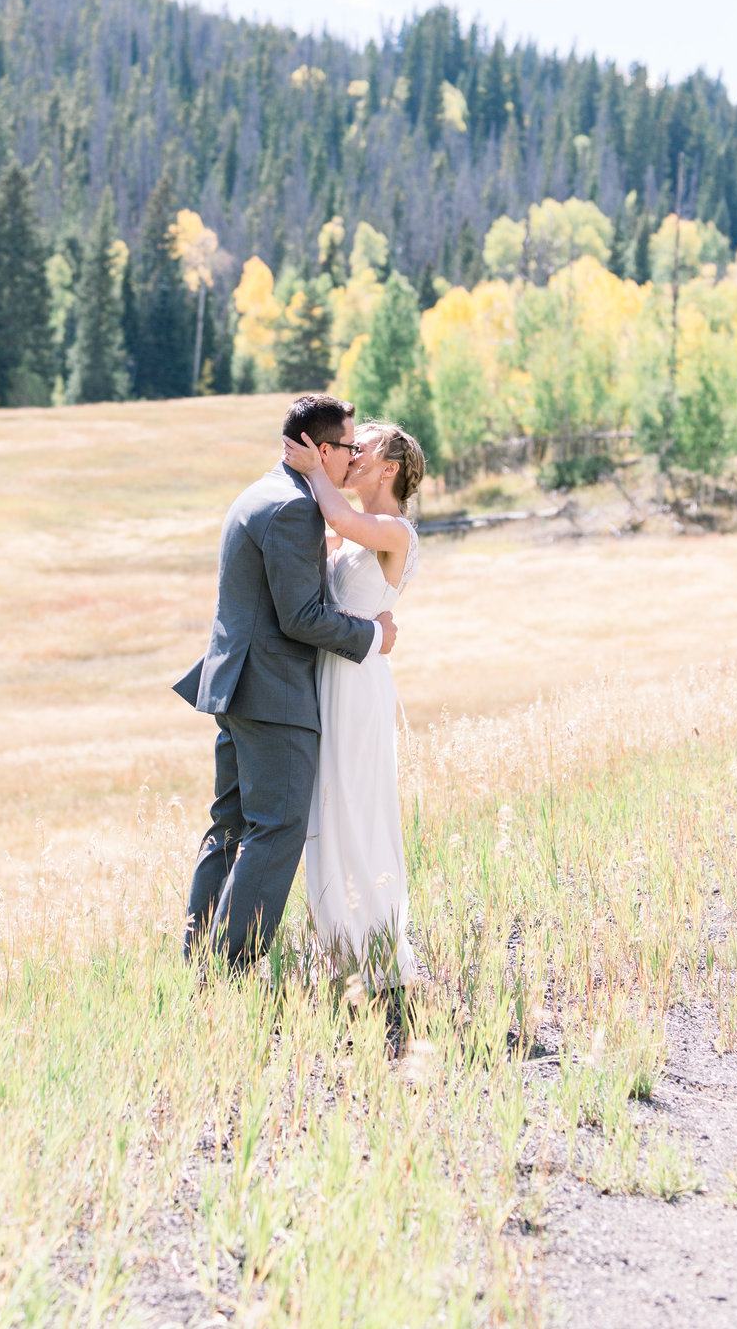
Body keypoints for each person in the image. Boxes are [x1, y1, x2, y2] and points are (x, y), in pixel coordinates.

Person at [174, 393, 398, 973]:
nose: (353, 458)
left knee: (229, 825)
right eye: (348, 448)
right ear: (322, 451)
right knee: (277, 828)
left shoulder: (261, 493)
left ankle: (196, 961)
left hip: (237, 687)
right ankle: (231, 972)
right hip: (275, 694)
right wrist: (372, 636)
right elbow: (301, 617)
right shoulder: (294, 509)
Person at [282, 419, 423, 1033]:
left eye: (360, 447)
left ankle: (383, 955)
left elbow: (337, 519)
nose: (350, 452)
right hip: (328, 681)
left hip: (359, 687)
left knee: (360, 811)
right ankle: (341, 955)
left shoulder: (393, 531)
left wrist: (313, 465)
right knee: (327, 813)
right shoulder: (353, 538)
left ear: (387, 467)